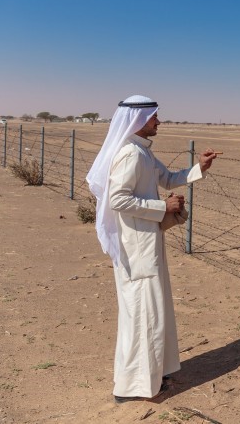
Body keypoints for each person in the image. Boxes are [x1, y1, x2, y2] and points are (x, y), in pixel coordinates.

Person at [85, 95, 218, 404]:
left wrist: (199, 167)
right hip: (137, 247)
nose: (159, 122)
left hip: (146, 242)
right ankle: (132, 387)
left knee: (151, 311)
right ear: (137, 120)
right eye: (154, 117)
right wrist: (162, 206)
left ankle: (153, 374)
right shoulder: (130, 155)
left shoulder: (142, 153)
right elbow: (117, 199)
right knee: (142, 314)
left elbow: (169, 179)